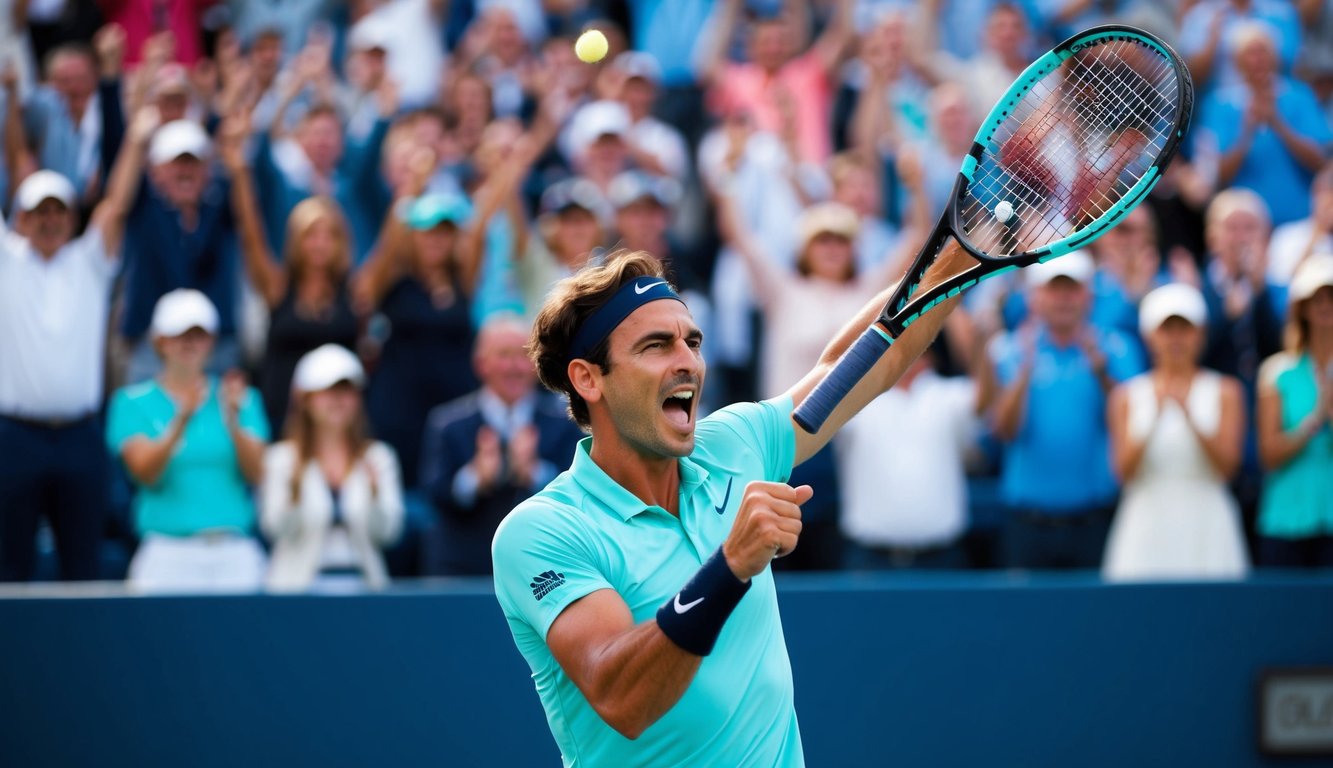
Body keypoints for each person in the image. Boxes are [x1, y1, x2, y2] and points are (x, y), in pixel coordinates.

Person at [492, 244, 969, 765]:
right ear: (588, 378)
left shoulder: (735, 443)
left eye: (692, 342)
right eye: (656, 346)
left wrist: (964, 254)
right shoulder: (543, 530)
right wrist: (730, 565)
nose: (688, 363)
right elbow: (622, 697)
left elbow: (866, 359)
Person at [0, 99, 146, 581]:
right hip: (15, 437)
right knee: (10, 568)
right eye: (38, 212)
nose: (49, 220)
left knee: (83, 566)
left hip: (81, 436)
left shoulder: (89, 263)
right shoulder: (7, 263)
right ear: (21, 219)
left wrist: (138, 136)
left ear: (70, 217)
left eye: (57, 211)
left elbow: (116, 204)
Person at [988, 251, 1146, 570]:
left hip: (1094, 518)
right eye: (1054, 290)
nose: (1063, 299)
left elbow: (1134, 425)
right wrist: (1024, 371)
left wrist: (1101, 371)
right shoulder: (1009, 350)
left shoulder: (1117, 348)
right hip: (1027, 521)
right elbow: (1003, 431)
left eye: (1072, 290)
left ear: (1089, 296)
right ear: (1035, 298)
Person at [107, 289, 270, 593]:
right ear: (160, 342)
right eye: (179, 336)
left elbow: (257, 473)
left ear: (212, 342)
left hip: (233, 551)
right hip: (166, 551)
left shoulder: (241, 399)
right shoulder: (130, 402)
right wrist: (182, 419)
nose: (189, 344)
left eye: (198, 336)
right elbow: (144, 473)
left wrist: (233, 421)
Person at [220, 116, 361, 433]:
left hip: (340, 429)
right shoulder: (278, 287)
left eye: (329, 235)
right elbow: (251, 235)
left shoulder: (354, 293)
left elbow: (389, 251)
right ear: (296, 240)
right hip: (281, 420)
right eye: (311, 234)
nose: (320, 244)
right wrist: (240, 173)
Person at [1102, 283, 1250, 581]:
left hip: (1209, 524)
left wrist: (1190, 415)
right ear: (1150, 337)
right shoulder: (1125, 397)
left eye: (1185, 329)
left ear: (1201, 334)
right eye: (1167, 330)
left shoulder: (1227, 391)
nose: (1176, 339)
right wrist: (1154, 415)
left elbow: (1228, 468)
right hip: (1145, 526)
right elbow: (1122, 472)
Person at [420, 315, 583, 576]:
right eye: (504, 355)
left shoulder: (565, 422)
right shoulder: (449, 424)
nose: (514, 367)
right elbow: (433, 494)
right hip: (463, 570)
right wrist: (474, 478)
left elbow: (580, 494)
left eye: (523, 356)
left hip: (543, 566)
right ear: (481, 364)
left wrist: (535, 472)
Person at [261, 344, 404, 593]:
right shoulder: (282, 459)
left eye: (347, 391)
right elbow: (275, 529)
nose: (338, 400)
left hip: (365, 593)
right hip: (297, 594)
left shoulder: (379, 457)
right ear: (305, 400)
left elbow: (389, 534)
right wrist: (294, 495)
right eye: (328, 392)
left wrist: (374, 496)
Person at [836, 342, 991, 570]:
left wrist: (982, 337)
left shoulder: (949, 395)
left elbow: (983, 400)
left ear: (930, 356)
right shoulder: (856, 399)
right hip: (870, 559)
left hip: (941, 558)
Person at [1255, 255, 1333, 567]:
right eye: (1317, 299)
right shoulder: (1277, 372)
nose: (1325, 306)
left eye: (1331, 298)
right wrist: (1314, 421)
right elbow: (1269, 455)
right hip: (1285, 519)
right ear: (1302, 308)